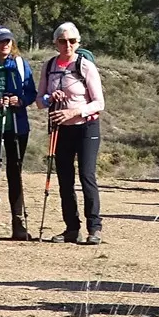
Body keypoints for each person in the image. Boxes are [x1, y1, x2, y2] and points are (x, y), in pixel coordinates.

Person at [36, 22, 106, 245]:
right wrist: (49, 98)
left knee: (87, 177)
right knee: (65, 181)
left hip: (86, 128)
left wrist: (75, 111)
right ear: (55, 43)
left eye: (72, 41)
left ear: (78, 43)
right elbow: (39, 101)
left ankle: (94, 228)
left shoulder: (85, 66)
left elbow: (99, 103)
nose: (68, 45)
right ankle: (71, 229)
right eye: (62, 41)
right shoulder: (48, 66)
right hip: (60, 130)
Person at [0, 27, 38, 241]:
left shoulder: (20, 65)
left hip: (16, 126)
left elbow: (31, 92)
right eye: (0, 41)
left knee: (16, 174)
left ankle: (18, 224)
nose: (5, 45)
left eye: (8, 41)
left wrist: (20, 101)